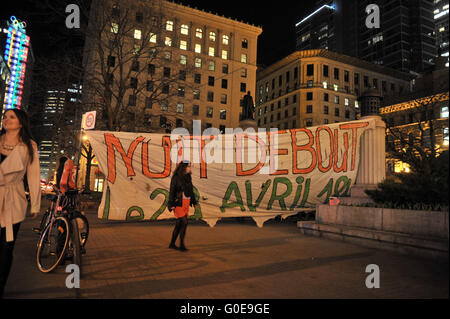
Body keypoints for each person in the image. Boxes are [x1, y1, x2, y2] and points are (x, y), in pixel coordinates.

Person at [0, 109, 41, 299]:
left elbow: (33, 176)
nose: (6, 119)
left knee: (6, 249)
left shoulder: (29, 147)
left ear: (21, 123)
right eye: (5, 116)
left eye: (11, 117)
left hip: (13, 201)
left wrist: (35, 205)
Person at [167, 161, 198, 251]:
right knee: (184, 222)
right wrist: (171, 204)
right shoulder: (176, 177)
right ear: (183, 167)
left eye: (190, 166)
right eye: (188, 166)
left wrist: (194, 202)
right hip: (178, 203)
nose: (190, 168)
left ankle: (172, 244)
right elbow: (172, 191)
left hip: (186, 202)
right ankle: (182, 245)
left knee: (179, 223)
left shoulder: (188, 177)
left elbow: (191, 190)